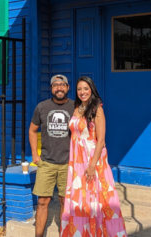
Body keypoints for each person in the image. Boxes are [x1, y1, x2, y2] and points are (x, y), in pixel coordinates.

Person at [61, 76, 126, 237]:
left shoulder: (97, 109)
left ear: (92, 90)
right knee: (79, 198)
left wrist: (92, 166)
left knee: (95, 197)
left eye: (85, 88)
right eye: (79, 89)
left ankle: (98, 232)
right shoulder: (77, 108)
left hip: (92, 159)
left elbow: (101, 140)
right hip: (76, 160)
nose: (82, 92)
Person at [29, 74, 76, 237]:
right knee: (43, 201)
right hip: (47, 162)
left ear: (68, 87)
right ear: (51, 89)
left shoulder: (76, 107)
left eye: (62, 84)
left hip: (68, 163)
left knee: (65, 202)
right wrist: (35, 154)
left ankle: (65, 234)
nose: (59, 88)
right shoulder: (42, 107)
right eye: (55, 85)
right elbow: (32, 130)